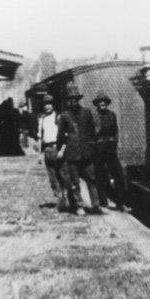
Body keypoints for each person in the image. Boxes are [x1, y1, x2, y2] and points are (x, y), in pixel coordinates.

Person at [57, 83, 101, 215]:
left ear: (78, 99)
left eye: (75, 99)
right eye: (70, 99)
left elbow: (93, 131)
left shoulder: (87, 113)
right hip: (72, 153)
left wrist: (91, 145)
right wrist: (61, 150)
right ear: (68, 101)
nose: (73, 101)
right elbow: (60, 136)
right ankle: (79, 205)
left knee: (92, 179)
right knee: (74, 182)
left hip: (87, 152)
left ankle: (96, 205)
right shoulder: (64, 116)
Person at [35, 95, 70, 212]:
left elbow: (65, 136)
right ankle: (61, 200)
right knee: (53, 177)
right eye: (45, 104)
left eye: (49, 103)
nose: (47, 106)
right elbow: (40, 138)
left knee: (64, 176)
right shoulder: (42, 119)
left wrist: (62, 151)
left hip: (58, 148)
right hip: (47, 150)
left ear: (53, 104)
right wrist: (40, 154)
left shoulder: (59, 117)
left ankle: (69, 199)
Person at [92, 91, 125, 210]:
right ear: (97, 104)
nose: (102, 103)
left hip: (110, 149)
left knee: (119, 175)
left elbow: (115, 131)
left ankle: (120, 203)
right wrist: (95, 145)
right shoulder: (93, 116)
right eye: (100, 102)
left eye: (104, 101)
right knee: (100, 176)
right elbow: (90, 133)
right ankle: (103, 202)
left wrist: (114, 142)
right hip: (98, 149)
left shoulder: (112, 115)